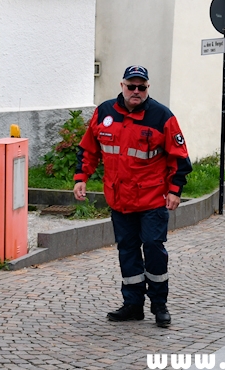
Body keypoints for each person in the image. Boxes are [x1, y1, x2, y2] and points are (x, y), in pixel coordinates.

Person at [73, 65, 193, 327]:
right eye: (131, 86)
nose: (136, 91)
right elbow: (89, 150)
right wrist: (81, 178)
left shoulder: (162, 116)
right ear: (122, 86)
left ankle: (159, 305)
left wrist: (175, 190)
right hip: (120, 200)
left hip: (152, 200)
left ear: (148, 88)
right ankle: (133, 305)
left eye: (142, 87)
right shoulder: (104, 113)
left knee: (153, 248)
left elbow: (180, 158)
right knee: (127, 251)